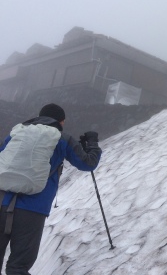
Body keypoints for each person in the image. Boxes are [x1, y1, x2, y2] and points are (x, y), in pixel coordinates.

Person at [0, 103, 102, 275]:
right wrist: (92, 144)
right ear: (61, 122)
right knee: (17, 267)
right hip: (32, 211)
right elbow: (87, 164)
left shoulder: (16, 134)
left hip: (1, 202)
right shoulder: (62, 139)